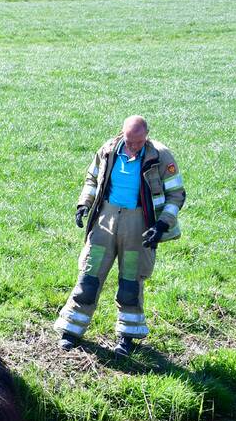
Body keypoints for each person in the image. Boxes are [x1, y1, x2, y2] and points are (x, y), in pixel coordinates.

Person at [54, 116, 185, 357]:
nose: (133, 147)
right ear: (121, 134)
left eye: (138, 142)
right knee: (89, 276)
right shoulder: (108, 150)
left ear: (146, 137)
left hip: (139, 224)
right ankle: (70, 331)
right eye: (129, 141)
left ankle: (127, 337)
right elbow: (92, 178)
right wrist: (84, 203)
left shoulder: (161, 156)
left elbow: (177, 194)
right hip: (106, 219)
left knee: (130, 283)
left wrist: (162, 225)